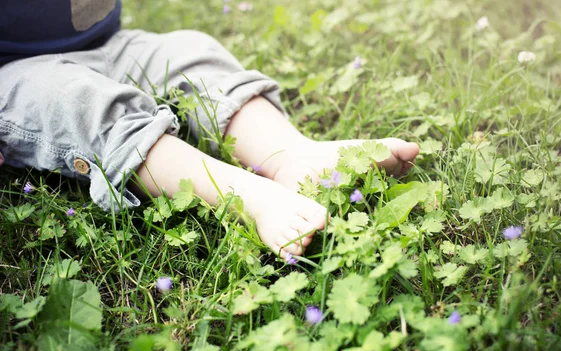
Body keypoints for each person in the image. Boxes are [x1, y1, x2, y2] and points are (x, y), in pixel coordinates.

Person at [0, 1, 419, 258]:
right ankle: (246, 195)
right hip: (16, 75)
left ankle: (291, 154)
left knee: (190, 53)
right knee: (81, 105)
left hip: (108, 44)